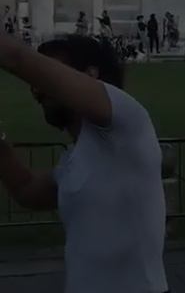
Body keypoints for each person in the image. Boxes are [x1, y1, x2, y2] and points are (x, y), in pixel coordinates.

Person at [0, 34, 168, 293]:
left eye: (48, 75)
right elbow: (27, 192)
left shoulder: (126, 118)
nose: (36, 88)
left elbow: (16, 57)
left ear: (90, 75)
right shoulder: (75, 157)